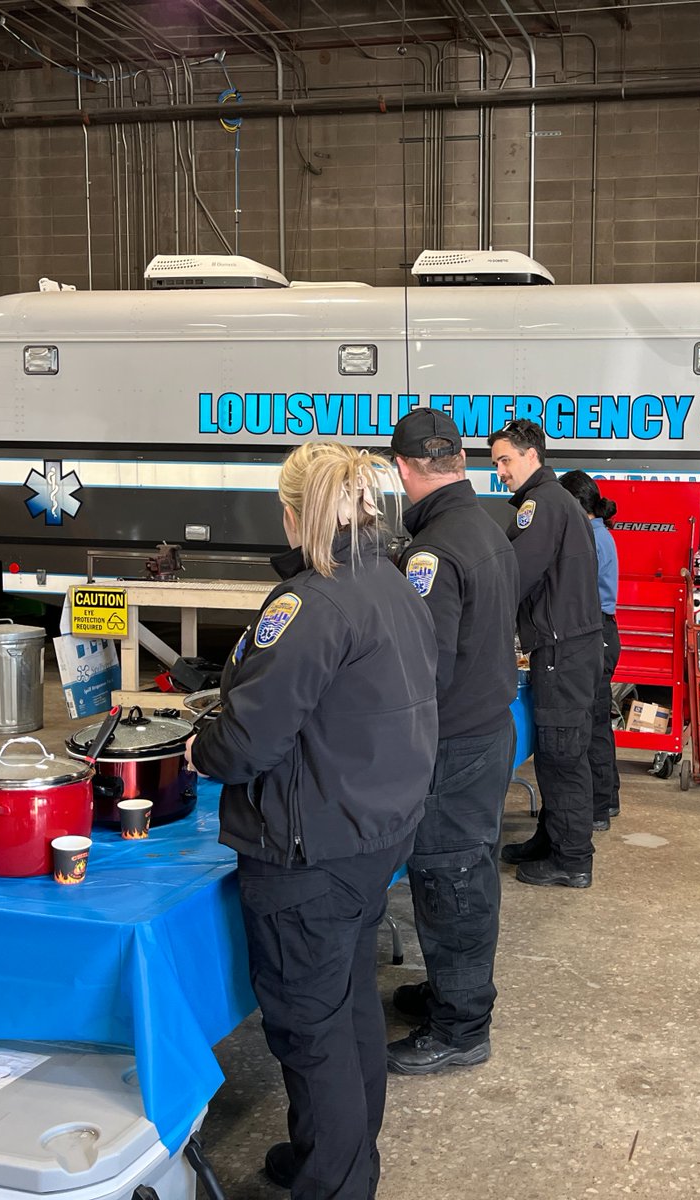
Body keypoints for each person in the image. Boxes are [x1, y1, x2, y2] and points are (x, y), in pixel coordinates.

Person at [186, 441, 438, 1200]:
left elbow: (248, 742)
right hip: (373, 833)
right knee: (348, 1005)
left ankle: (335, 1182)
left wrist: (205, 745)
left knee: (311, 1029)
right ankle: (335, 1156)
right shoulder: (392, 583)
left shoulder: (310, 603)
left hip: (311, 852)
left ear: (293, 513)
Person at [383, 409, 520, 1075]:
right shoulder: (487, 528)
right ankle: (448, 992)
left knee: (451, 879)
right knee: (470, 868)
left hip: (454, 746)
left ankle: (461, 1028)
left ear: (403, 470)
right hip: (490, 731)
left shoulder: (432, 552)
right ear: (459, 462)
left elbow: (421, 669)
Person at [488, 418, 603, 888]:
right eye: (496, 463)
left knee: (562, 755)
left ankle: (572, 859)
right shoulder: (558, 502)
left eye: (505, 460)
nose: (500, 471)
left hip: (562, 648)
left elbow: (514, 574)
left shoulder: (540, 505)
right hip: (572, 645)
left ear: (531, 456)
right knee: (562, 750)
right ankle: (552, 838)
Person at [559, 469, 622, 831]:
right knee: (598, 722)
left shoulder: (589, 539)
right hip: (603, 630)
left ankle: (597, 807)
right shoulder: (599, 533)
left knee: (592, 725)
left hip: (595, 631)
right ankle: (607, 798)